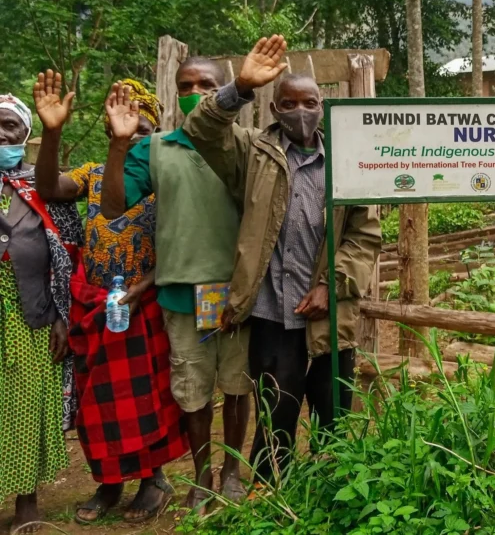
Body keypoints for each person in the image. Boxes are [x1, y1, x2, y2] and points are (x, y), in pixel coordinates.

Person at [183, 35, 381, 484]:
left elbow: (365, 235)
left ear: (322, 106)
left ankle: (332, 492)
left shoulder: (346, 162)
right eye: (288, 104)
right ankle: (272, 493)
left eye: (309, 103)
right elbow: (201, 130)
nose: (300, 112)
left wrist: (331, 284)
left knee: (332, 413)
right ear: (274, 109)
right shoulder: (251, 153)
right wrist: (240, 88)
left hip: (331, 314)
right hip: (272, 314)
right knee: (277, 413)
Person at [32, 72, 187, 524]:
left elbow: (181, 244)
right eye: (122, 128)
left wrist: (142, 288)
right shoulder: (95, 174)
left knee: (145, 397)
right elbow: (49, 188)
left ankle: (153, 479)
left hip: (144, 301)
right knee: (97, 400)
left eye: (142, 130)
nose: (131, 137)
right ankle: (109, 481)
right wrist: (52, 132)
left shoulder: (166, 180)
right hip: (95, 303)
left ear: (155, 133)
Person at [99, 59, 249, 514]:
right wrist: (119, 146)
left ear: (224, 91)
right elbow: (113, 208)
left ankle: (232, 472)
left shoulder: (247, 144)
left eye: (207, 84)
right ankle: (202, 478)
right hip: (182, 294)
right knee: (192, 391)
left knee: (237, 386)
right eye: (186, 85)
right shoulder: (157, 148)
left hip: (238, 293)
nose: (195, 92)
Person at [0, 94, 82, 534]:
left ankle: (26, 498)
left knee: (28, 403)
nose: (1, 135)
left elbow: (68, 254)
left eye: (9, 126)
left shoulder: (44, 184)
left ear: (25, 133)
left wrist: (62, 317)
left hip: (31, 312)